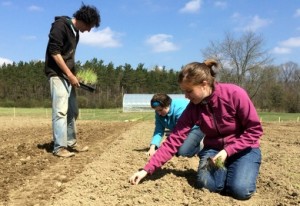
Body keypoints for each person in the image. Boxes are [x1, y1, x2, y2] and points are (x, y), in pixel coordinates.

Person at [129, 59, 263, 200]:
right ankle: (228, 172)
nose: (186, 96)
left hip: (244, 149)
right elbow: (173, 140)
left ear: (204, 84)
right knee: (207, 186)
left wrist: (227, 151)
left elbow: (254, 130)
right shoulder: (193, 109)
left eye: (189, 91)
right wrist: (146, 170)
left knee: (239, 190)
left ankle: (239, 168)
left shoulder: (234, 94)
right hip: (214, 150)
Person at [44, 4, 100, 157]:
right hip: (57, 74)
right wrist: (69, 74)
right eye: (89, 26)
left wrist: (75, 75)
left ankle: (70, 143)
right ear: (83, 20)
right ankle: (59, 147)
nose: (89, 30)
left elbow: (69, 57)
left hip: (68, 76)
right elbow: (54, 52)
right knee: (61, 111)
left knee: (73, 111)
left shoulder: (76, 33)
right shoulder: (60, 25)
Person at [147, 93, 205, 157]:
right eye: (156, 111)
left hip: (195, 128)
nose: (159, 113)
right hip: (178, 131)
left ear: (168, 105)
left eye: (160, 110)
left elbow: (181, 131)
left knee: (182, 153)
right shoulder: (159, 114)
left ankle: (200, 148)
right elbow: (158, 130)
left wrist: (166, 146)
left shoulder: (180, 108)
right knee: (175, 150)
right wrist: (152, 147)